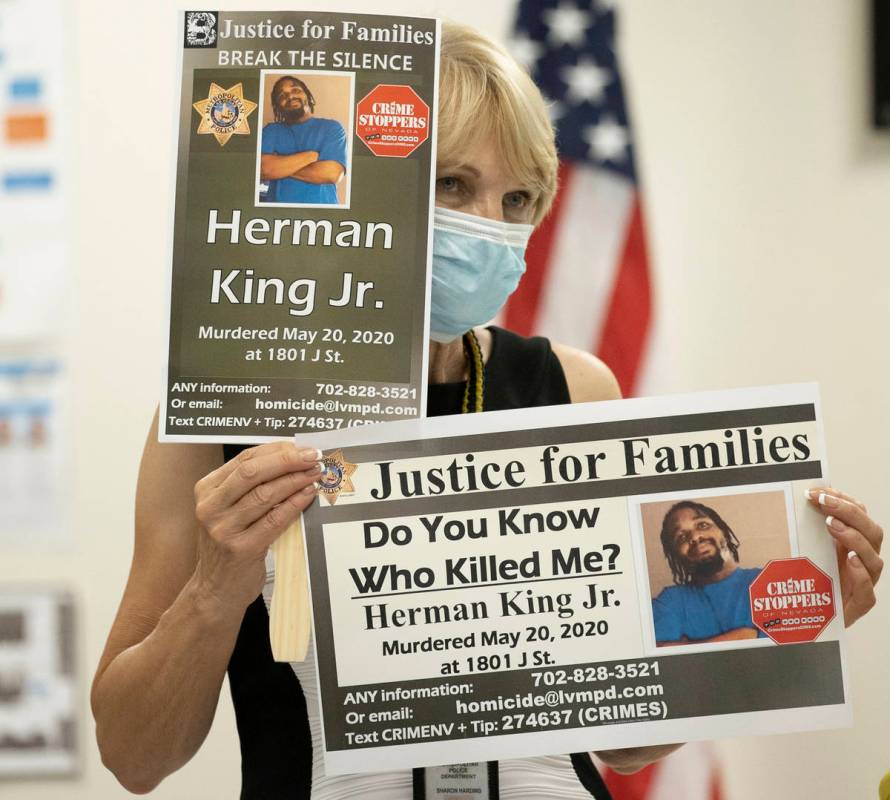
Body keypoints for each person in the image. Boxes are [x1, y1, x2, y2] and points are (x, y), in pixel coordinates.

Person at [91, 22, 884, 799]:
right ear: (373, 192)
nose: (490, 227)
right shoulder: (223, 408)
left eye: (518, 199)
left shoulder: (574, 388)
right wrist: (215, 587)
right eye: (453, 185)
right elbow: (134, 757)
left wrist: (792, 629)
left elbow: (623, 739)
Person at [652, 500, 766, 645]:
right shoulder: (669, 601)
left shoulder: (767, 580)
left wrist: (689, 645)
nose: (694, 537)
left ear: (723, 532)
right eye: (681, 537)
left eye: (702, 525)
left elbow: (791, 638)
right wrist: (745, 635)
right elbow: (661, 655)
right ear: (677, 554)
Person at [259, 75, 347, 204]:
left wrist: (279, 166)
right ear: (278, 106)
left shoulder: (332, 127)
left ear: (308, 96)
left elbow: (332, 173)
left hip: (323, 215)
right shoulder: (272, 130)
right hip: (278, 215)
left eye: (296, 90)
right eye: (282, 96)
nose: (290, 97)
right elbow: (262, 169)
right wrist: (311, 156)